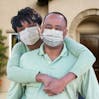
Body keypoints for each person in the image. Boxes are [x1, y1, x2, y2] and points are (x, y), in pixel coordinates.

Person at [7, 7, 96, 99]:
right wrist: (42, 77)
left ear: (40, 28)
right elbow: (12, 72)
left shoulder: (62, 41)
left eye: (31, 26)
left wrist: (63, 82)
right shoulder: (21, 52)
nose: (27, 32)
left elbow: (87, 56)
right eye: (21, 29)